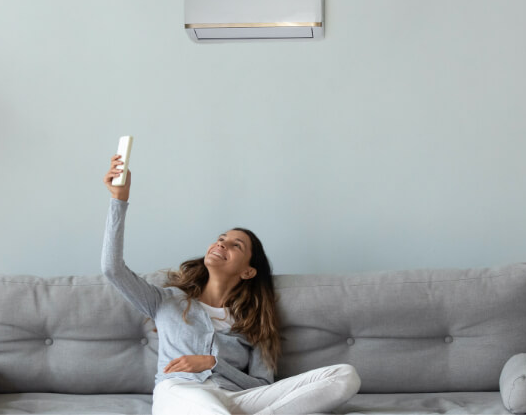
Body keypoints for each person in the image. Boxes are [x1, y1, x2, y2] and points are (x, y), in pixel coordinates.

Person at [102, 155, 361, 415]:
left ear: (248, 271)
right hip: (181, 392)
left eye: (236, 245)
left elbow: (261, 385)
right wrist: (119, 200)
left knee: (345, 376)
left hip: (238, 398)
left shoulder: (254, 321)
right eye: (221, 239)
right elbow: (112, 269)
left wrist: (214, 364)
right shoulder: (164, 300)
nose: (221, 244)